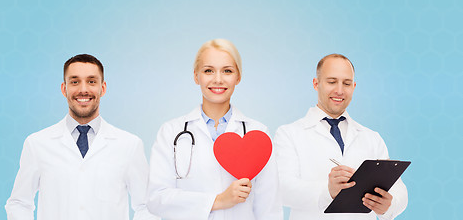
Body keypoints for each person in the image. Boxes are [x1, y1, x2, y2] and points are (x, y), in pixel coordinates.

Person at [5, 54, 158, 220]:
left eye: (91, 81)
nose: (83, 89)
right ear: (64, 89)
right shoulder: (37, 144)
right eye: (75, 81)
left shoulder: (129, 145)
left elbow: (147, 207)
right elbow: (20, 203)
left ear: (103, 88)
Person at [146, 39, 283, 220]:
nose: (218, 79)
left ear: (238, 77)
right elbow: (156, 199)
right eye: (208, 70)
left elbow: (269, 208)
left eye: (227, 71)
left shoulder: (258, 133)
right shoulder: (171, 132)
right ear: (196, 76)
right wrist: (217, 201)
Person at [275, 54, 408, 220]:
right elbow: (282, 189)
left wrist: (389, 205)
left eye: (346, 83)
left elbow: (399, 189)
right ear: (316, 84)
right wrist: (328, 191)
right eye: (331, 82)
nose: (339, 90)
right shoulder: (289, 134)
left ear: (354, 86)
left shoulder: (371, 138)